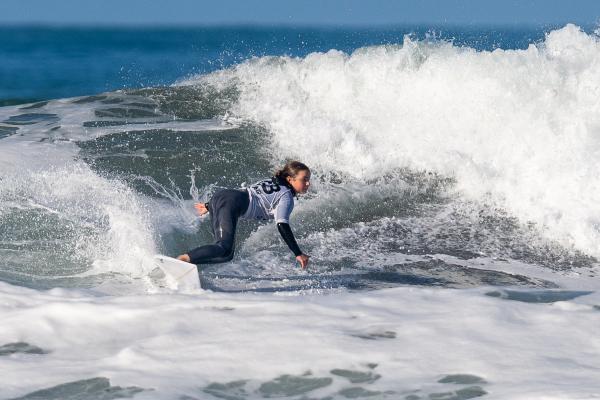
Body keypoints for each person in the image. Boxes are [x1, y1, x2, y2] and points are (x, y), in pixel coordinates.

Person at [177, 161, 311, 269]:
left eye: (308, 179)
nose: (308, 183)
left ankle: (187, 263)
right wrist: (298, 253)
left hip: (222, 197)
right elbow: (282, 224)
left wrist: (208, 205)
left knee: (227, 254)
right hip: (231, 203)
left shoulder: (273, 182)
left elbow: (246, 195)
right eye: (304, 179)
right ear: (290, 179)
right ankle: (182, 260)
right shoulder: (286, 196)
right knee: (223, 247)